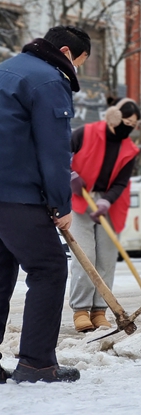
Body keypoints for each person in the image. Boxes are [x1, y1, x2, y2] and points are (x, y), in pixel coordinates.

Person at [0, 26, 90, 383]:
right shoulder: (49, 80)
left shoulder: (6, 69)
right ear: (66, 52)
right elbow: (54, 151)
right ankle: (37, 363)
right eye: (79, 61)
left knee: (1, 272)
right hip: (18, 194)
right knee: (49, 269)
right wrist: (61, 204)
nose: (76, 69)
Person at [69, 97, 141, 331]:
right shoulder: (85, 133)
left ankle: (100, 310)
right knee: (85, 255)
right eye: (126, 122)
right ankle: (80, 310)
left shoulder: (130, 149)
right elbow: (61, 155)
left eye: (134, 125)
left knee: (107, 259)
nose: (128, 128)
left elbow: (120, 183)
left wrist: (106, 202)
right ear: (114, 117)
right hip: (80, 197)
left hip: (111, 203)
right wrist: (70, 176)